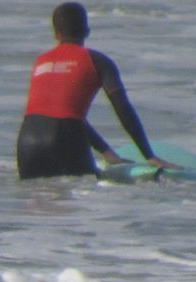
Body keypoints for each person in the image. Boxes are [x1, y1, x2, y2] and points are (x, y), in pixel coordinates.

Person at [17, 2, 173, 179]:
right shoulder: (98, 61)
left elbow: (65, 113)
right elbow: (122, 108)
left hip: (28, 140)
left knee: (35, 201)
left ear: (56, 34)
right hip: (65, 137)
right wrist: (149, 155)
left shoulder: (41, 62)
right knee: (84, 195)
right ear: (86, 31)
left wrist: (106, 151)